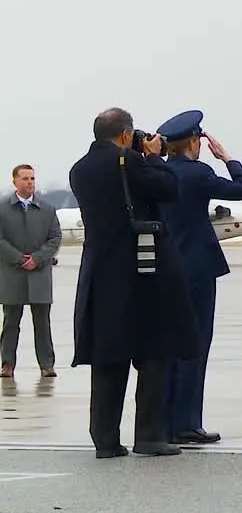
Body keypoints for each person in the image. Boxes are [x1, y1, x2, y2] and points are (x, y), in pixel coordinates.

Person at [68, 108, 199, 458]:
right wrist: (154, 157)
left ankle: (105, 438)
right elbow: (169, 188)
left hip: (100, 269)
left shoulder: (79, 169)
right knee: (154, 349)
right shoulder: (132, 162)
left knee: (108, 355)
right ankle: (150, 435)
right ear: (126, 134)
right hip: (142, 270)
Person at [156, 110, 242, 445]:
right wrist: (228, 158)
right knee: (196, 345)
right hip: (197, 268)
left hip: (164, 268)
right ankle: (187, 422)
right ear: (195, 142)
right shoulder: (198, 173)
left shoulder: (158, 172)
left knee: (167, 346)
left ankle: (166, 420)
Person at [0, 164, 62, 379]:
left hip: (39, 274)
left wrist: (37, 258)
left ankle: (47, 364)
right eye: (25, 178)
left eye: (32, 178)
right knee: (10, 323)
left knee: (42, 323)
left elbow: (55, 237)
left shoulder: (47, 209)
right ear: (15, 182)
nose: (30, 182)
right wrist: (18, 259)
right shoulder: (3, 209)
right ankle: (7, 364)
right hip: (12, 274)